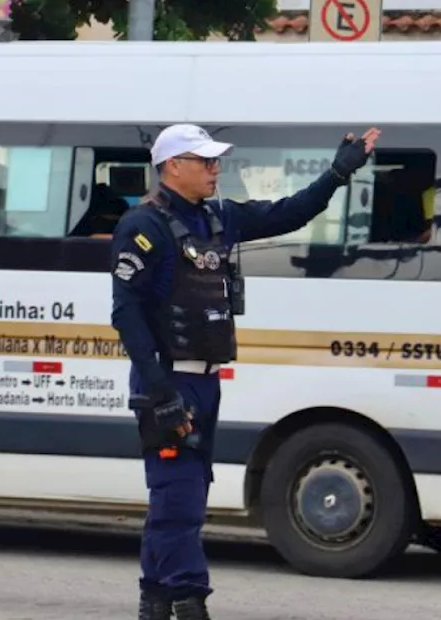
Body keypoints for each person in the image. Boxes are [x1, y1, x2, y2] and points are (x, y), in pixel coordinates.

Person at [112, 123, 380, 620]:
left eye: (217, 161)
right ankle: (188, 600)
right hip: (169, 383)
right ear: (173, 166)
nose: (217, 169)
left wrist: (338, 172)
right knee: (180, 499)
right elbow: (126, 314)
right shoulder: (143, 226)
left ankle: (154, 601)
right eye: (206, 161)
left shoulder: (218, 217)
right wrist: (160, 391)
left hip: (206, 380)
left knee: (180, 493)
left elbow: (289, 213)